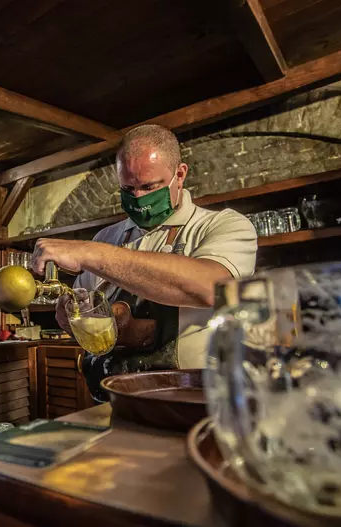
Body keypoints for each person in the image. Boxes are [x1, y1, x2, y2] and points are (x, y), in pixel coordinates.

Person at [30, 124, 257, 401]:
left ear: (180, 175)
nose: (138, 199)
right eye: (128, 188)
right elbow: (87, 315)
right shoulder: (106, 237)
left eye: (149, 186)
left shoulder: (222, 225)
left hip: (194, 402)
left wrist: (90, 253)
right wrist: (73, 316)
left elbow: (211, 287)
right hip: (113, 399)